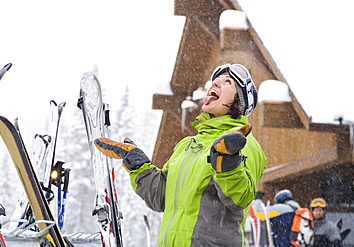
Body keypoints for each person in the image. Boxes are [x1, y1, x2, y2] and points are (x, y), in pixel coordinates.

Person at [94, 63, 266, 246]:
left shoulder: (241, 141)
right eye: (214, 81)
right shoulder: (188, 146)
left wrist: (228, 165)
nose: (214, 84)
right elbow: (161, 199)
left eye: (227, 82)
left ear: (239, 101)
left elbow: (240, 199)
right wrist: (139, 165)